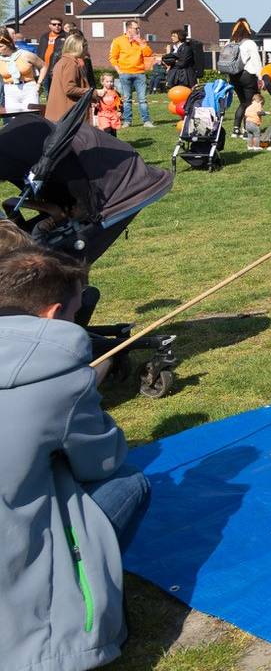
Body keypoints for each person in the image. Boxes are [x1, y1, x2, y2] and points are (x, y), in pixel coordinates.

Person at [0, 247, 152, 671]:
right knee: (130, 483)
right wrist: (86, 392)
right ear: (52, 314)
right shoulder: (60, 374)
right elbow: (103, 462)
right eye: (74, 311)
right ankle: (87, 603)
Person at [108, 20, 154, 128]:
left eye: (138, 28)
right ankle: (127, 121)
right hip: (125, 73)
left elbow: (148, 53)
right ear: (129, 29)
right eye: (136, 28)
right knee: (127, 99)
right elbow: (112, 57)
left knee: (142, 99)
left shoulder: (141, 41)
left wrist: (141, 43)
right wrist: (119, 70)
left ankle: (146, 121)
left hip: (140, 74)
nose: (138, 30)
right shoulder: (118, 41)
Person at [223, 19, 262, 137]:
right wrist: (260, 77)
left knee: (243, 102)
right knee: (250, 103)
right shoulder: (250, 43)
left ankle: (236, 129)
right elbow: (256, 61)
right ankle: (247, 130)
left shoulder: (230, 44)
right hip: (247, 76)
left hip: (234, 76)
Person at [43, 33, 93, 121]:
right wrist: (92, 92)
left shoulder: (63, 61)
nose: (87, 50)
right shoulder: (71, 63)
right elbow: (69, 89)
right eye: (86, 47)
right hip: (68, 115)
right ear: (79, 48)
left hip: (60, 114)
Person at [0, 29, 44, 113]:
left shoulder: (25, 54)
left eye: (1, 46)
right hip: (10, 91)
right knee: (13, 119)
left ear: (9, 44)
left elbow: (43, 66)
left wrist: (39, 83)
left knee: (31, 117)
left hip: (29, 89)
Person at [35, 17, 65, 96]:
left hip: (57, 69)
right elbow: (40, 51)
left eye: (59, 24)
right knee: (47, 91)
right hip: (45, 68)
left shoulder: (65, 36)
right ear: (50, 26)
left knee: (57, 92)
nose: (57, 26)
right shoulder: (44, 36)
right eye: (54, 24)